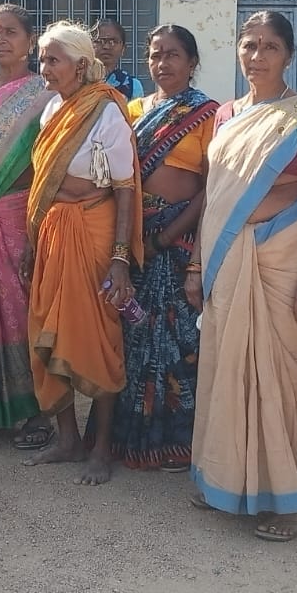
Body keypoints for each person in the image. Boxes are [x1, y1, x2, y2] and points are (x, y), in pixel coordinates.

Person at [184, 11, 297, 541]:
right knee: (225, 370)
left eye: (270, 47)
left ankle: (289, 500)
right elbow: (215, 195)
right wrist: (196, 264)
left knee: (285, 378)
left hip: (286, 263)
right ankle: (226, 479)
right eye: (249, 45)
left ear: (289, 55)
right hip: (227, 260)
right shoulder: (226, 115)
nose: (257, 56)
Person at [19, 21, 144, 486]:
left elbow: (125, 188)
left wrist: (120, 258)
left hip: (94, 230)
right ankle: (68, 439)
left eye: (53, 60)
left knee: (98, 338)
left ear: (81, 65)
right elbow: (43, 183)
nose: (44, 68)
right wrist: (31, 242)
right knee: (47, 330)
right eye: (43, 59)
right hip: (53, 232)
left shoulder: (106, 110)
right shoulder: (52, 108)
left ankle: (101, 449)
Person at [113, 25, 218, 472]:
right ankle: (130, 439)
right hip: (135, 240)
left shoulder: (207, 115)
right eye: (156, 55)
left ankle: (177, 443)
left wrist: (168, 236)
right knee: (132, 338)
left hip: (177, 240)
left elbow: (210, 188)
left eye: (173, 55)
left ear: (192, 63)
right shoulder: (132, 110)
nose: (163, 63)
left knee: (178, 341)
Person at [93, 19, 144, 99]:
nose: (106, 46)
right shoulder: (79, 82)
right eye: (100, 41)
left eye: (113, 41)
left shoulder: (132, 86)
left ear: (123, 49)